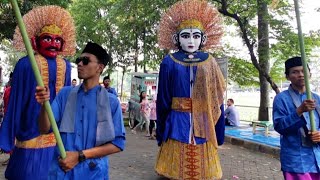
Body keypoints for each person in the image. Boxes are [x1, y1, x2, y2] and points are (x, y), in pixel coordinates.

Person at [0, 5, 76, 180]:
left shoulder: (65, 66)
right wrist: (7, 136)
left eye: (58, 40)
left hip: (56, 138)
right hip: (29, 134)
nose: (53, 43)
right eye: (47, 38)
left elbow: (65, 102)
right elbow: (16, 102)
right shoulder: (26, 64)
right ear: (35, 41)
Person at [155, 0, 226, 179]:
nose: (191, 40)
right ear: (176, 38)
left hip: (204, 120)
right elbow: (163, 98)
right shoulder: (169, 61)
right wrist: (161, 128)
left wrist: (219, 130)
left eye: (196, 36)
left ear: (203, 38)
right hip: (177, 120)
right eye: (186, 36)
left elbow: (217, 97)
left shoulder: (210, 61)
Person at [35, 42, 126, 179]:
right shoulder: (64, 94)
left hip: (93, 173)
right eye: (78, 60)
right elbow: (44, 128)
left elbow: (118, 144)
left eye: (86, 60)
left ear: (99, 68)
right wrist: (44, 105)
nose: (80, 64)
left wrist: (80, 156)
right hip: (62, 171)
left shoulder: (111, 102)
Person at [273, 56, 320, 180]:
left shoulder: (317, 98)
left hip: (318, 158)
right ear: (287, 76)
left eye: (304, 70)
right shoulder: (281, 99)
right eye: (295, 72)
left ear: (310, 74)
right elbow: (279, 126)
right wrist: (299, 111)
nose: (300, 74)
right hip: (296, 162)